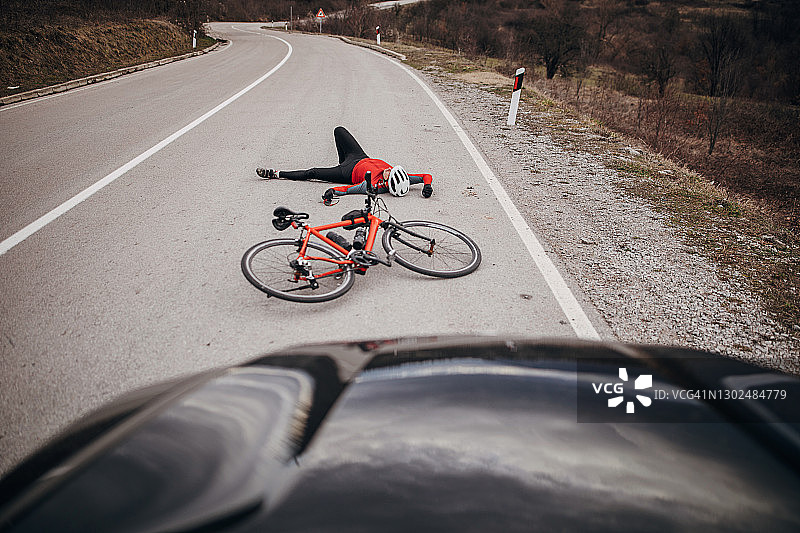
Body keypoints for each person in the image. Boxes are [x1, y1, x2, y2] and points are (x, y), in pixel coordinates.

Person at [256, 126, 433, 202]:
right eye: (391, 169)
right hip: (359, 156)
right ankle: (341, 159)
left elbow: (348, 190)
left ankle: (275, 173)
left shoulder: (372, 186)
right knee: (339, 130)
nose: (388, 169)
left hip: (346, 172)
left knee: (313, 172)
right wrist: (427, 186)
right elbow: (426, 175)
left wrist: (332, 191)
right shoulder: (403, 178)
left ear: (388, 183)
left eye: (389, 173)